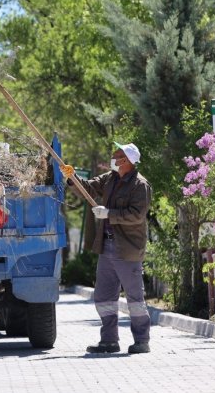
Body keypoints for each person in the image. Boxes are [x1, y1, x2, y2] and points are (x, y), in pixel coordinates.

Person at [60, 142, 152, 355]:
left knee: (134, 299)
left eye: (117, 155)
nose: (113, 157)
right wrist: (72, 177)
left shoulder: (140, 185)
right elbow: (89, 187)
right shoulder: (110, 178)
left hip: (127, 249)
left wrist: (109, 213)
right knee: (104, 297)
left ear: (127, 161)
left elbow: (137, 215)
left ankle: (141, 341)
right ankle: (109, 341)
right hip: (107, 246)